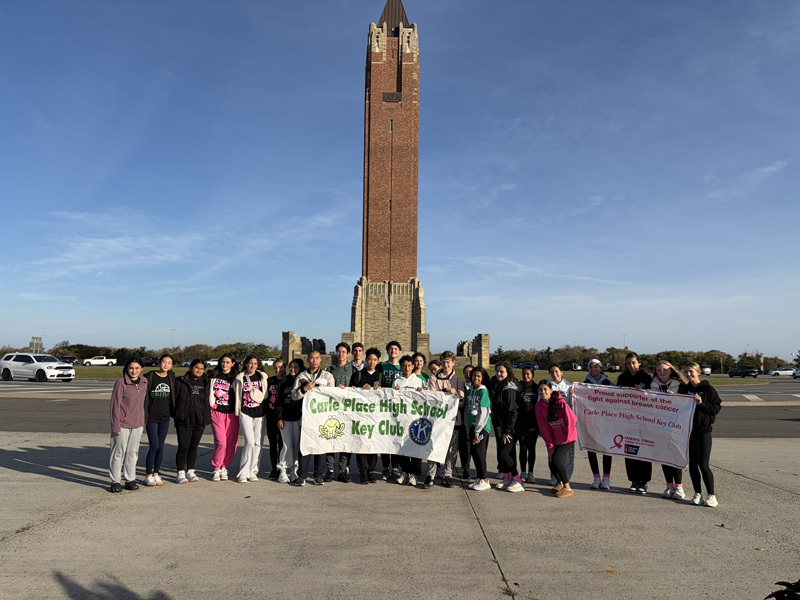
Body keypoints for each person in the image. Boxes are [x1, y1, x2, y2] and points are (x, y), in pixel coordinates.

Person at [680, 362, 721, 507]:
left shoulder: (708, 389)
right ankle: (697, 493)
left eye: (691, 371)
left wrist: (701, 404)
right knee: (692, 465)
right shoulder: (684, 389)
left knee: (704, 464)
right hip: (689, 431)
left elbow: (716, 408)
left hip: (703, 431)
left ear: (698, 372)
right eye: (686, 372)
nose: (688, 375)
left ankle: (711, 495)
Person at [292, 351, 335, 486]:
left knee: (320, 446)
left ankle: (318, 475)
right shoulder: (301, 376)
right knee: (304, 446)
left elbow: (333, 395)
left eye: (317, 358)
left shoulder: (327, 376)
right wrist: (305, 389)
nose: (314, 361)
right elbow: (294, 395)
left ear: (320, 360)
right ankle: (302, 475)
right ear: (308, 359)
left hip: (321, 417)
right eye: (311, 358)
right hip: (306, 417)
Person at [425, 351, 466, 488]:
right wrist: (445, 392)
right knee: (433, 447)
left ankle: (447, 474)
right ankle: (430, 475)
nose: (446, 365)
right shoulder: (433, 379)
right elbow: (431, 398)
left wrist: (460, 397)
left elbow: (461, 405)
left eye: (448, 362)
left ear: (453, 363)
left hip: (454, 421)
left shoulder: (458, 381)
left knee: (451, 450)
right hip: (436, 420)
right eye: (443, 362)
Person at [650, 360, 688, 499]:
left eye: (665, 369)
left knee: (675, 455)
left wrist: (676, 399)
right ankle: (669, 485)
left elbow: (686, 403)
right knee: (664, 455)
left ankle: (679, 487)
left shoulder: (680, 385)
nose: (662, 372)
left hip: (676, 425)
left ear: (671, 370)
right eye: (659, 370)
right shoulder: (653, 385)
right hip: (659, 424)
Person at [617, 352, 653, 494]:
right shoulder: (622, 378)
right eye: (628, 363)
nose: (631, 365)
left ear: (639, 363)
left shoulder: (646, 378)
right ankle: (634, 480)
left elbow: (652, 397)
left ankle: (644, 482)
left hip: (644, 419)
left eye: (633, 362)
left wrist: (643, 392)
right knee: (630, 449)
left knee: (644, 449)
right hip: (628, 419)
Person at [109, 358, 148, 493]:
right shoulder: (121, 383)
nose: (134, 371)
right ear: (127, 369)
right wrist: (116, 426)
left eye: (137, 368)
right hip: (122, 424)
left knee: (132, 453)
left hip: (137, 424)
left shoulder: (144, 382)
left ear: (141, 369)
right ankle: (115, 481)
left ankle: (130, 479)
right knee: (118, 453)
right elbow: (115, 406)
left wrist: (142, 421)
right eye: (131, 368)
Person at [535, 380, 577, 498]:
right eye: (540, 390)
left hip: (568, 436)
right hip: (555, 438)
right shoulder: (539, 406)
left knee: (558, 459)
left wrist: (567, 435)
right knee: (551, 461)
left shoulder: (560, 401)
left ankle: (567, 488)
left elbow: (572, 419)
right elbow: (544, 428)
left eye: (545, 389)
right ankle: (560, 483)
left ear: (551, 390)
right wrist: (550, 446)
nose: (543, 392)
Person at [349, 348, 384, 484]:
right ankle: (362, 472)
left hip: (375, 417)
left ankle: (371, 471)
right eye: (369, 359)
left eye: (375, 359)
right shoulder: (357, 375)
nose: (372, 362)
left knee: (374, 446)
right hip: (361, 416)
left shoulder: (381, 377)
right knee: (361, 445)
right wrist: (360, 389)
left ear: (378, 361)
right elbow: (350, 393)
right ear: (366, 359)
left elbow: (388, 396)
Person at [174, 359, 212, 484]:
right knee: (183, 446)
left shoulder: (207, 382)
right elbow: (173, 400)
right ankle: (180, 472)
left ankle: (190, 470)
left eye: (201, 368)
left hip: (199, 419)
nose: (199, 370)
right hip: (184, 419)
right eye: (196, 367)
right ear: (190, 368)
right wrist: (177, 414)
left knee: (193, 446)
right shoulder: (180, 381)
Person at [234, 356, 269, 483]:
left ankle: (253, 470)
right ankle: (243, 472)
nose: (253, 366)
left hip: (260, 413)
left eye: (255, 363)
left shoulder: (262, 376)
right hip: (245, 412)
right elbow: (236, 394)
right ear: (246, 364)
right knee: (249, 442)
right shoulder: (240, 378)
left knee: (257, 444)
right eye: (250, 363)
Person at [143, 354, 176, 487]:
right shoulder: (150, 376)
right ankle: (148, 475)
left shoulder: (171, 378)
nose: (166, 365)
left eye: (169, 363)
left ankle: (156, 473)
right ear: (159, 362)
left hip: (165, 416)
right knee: (154, 445)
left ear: (172, 365)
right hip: (151, 416)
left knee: (161, 445)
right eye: (164, 362)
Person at [393, 355, 426, 486]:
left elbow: (425, 398)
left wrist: (421, 392)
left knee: (415, 447)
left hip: (415, 418)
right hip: (401, 419)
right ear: (401, 367)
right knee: (402, 446)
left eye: (409, 365)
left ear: (413, 366)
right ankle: (405, 472)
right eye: (404, 365)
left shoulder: (418, 381)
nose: (406, 368)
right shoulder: (397, 381)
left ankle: (413, 474)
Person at [583, 359, 614, 490]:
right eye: (591, 367)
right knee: (592, 448)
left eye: (596, 367)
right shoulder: (584, 384)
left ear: (601, 368)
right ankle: (596, 477)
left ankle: (606, 478)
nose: (593, 369)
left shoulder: (609, 383)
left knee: (607, 449)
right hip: (591, 421)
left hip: (606, 421)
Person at [208, 354, 239, 482]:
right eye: (223, 362)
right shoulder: (213, 376)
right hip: (217, 411)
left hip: (232, 414)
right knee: (221, 442)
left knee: (231, 443)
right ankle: (216, 467)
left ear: (232, 363)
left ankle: (224, 467)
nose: (225, 365)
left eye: (227, 362)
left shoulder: (237, 377)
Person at [327, 342, 355, 482]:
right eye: (338, 351)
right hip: (332, 410)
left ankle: (343, 469)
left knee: (345, 440)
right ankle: (330, 469)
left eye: (344, 352)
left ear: (348, 354)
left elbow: (357, 388)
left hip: (347, 410)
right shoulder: (330, 370)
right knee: (330, 437)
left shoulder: (353, 370)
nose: (341, 354)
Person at [494, 362, 523, 492]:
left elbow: (513, 411)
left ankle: (517, 480)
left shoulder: (510, 388)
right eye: (497, 371)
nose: (499, 374)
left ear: (508, 373)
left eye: (502, 372)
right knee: (509, 453)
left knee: (504, 453)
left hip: (513, 427)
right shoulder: (501, 385)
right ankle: (508, 478)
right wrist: (499, 426)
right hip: (504, 426)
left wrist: (507, 431)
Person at [276, 358, 304, 483]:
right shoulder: (284, 382)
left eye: (295, 367)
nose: (292, 369)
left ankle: (293, 470)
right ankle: (282, 470)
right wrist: (279, 417)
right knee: (286, 445)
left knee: (296, 445)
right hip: (286, 418)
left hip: (298, 418)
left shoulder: (303, 383)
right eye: (291, 367)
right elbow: (278, 402)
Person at [378, 341, 403, 481]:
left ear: (399, 352)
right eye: (391, 349)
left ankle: (395, 467)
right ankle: (385, 467)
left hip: (398, 408)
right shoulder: (381, 366)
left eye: (396, 349)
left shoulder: (404, 367)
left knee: (396, 437)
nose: (393, 351)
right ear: (387, 351)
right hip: (384, 406)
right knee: (384, 437)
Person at [465, 366, 492, 491]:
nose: (476, 378)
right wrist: (467, 428)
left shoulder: (483, 391)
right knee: (474, 452)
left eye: (478, 376)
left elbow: (484, 412)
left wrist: (477, 431)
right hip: (472, 426)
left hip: (481, 427)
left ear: (482, 378)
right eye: (474, 375)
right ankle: (479, 477)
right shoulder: (469, 391)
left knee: (479, 452)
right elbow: (466, 409)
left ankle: (485, 480)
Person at [548, 363, 575, 484]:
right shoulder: (548, 386)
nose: (555, 374)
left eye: (557, 371)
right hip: (553, 424)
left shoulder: (569, 386)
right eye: (552, 372)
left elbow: (573, 405)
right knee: (553, 452)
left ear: (562, 372)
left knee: (566, 454)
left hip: (566, 425)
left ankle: (566, 479)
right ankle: (555, 478)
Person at [515, 367, 539, 485]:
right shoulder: (519, 387)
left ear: (532, 375)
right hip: (521, 424)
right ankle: (523, 472)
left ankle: (531, 473)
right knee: (523, 449)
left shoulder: (536, 388)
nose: (525, 376)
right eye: (524, 374)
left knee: (532, 449)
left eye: (528, 374)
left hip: (533, 424)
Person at [459, 364, 474, 479]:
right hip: (464, 421)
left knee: (477, 449)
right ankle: (466, 469)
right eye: (466, 372)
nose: (468, 374)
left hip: (476, 423)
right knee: (465, 448)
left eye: (470, 372)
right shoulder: (461, 386)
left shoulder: (480, 387)